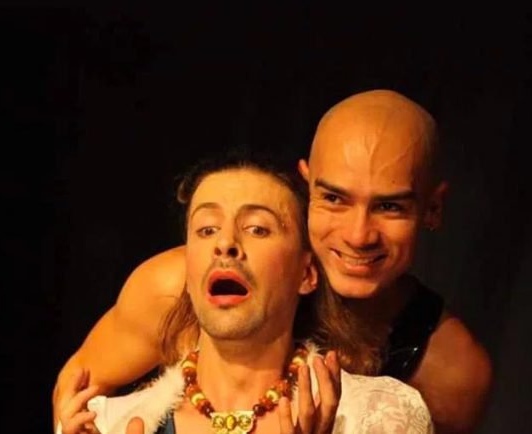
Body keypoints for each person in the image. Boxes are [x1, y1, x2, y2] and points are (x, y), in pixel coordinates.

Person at [53, 90, 492, 433]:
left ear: (433, 209)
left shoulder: (450, 370)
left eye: (390, 207)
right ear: (307, 187)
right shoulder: (174, 286)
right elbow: (76, 394)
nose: (358, 235)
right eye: (334, 199)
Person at [58, 160, 433, 434]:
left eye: (257, 229)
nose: (225, 243)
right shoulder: (108, 424)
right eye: (206, 229)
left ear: (306, 274)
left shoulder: (381, 417)